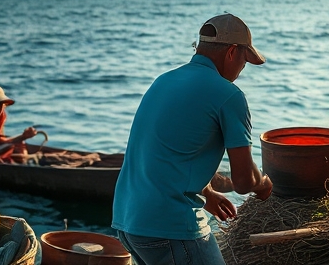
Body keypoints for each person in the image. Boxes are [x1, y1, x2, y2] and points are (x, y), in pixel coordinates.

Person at [112, 14, 273, 265]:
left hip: (128, 221)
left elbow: (168, 153)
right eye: (244, 60)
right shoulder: (229, 96)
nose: (243, 69)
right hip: (170, 227)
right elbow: (243, 182)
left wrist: (207, 194)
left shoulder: (164, 80)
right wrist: (264, 184)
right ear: (232, 52)